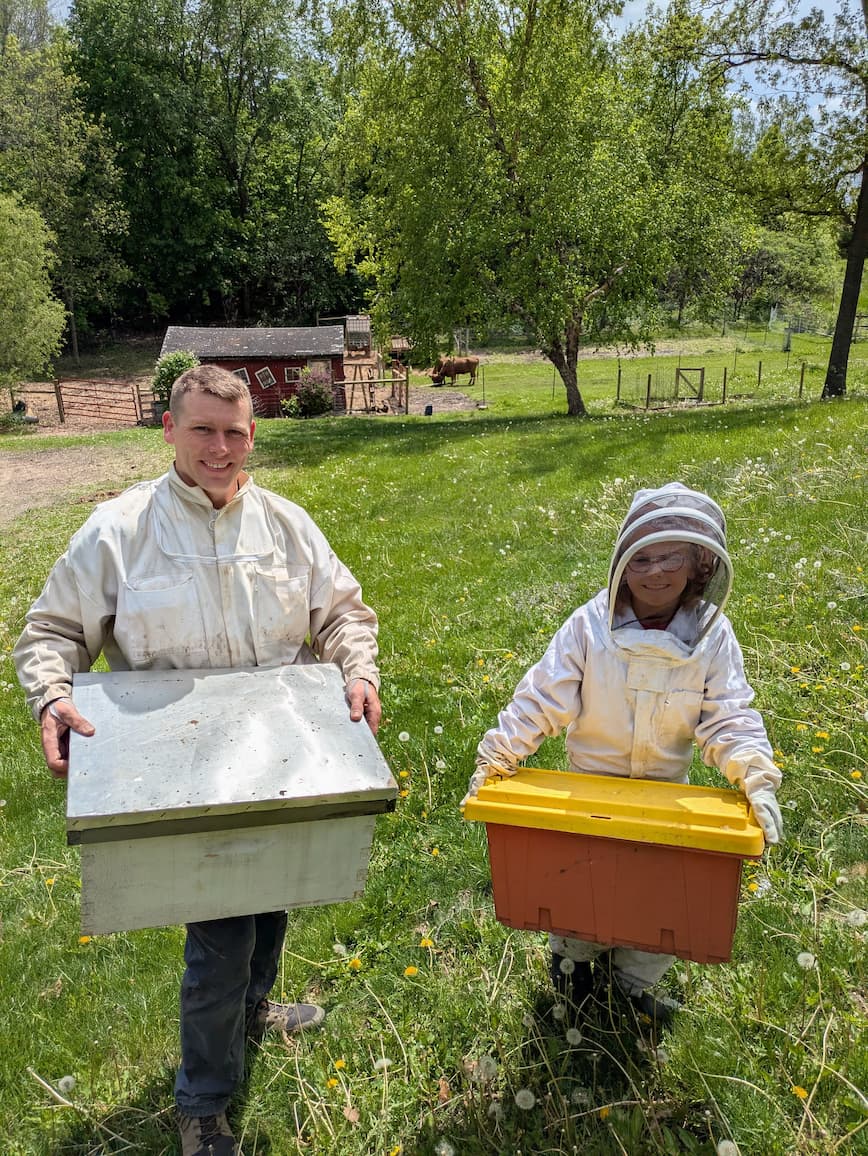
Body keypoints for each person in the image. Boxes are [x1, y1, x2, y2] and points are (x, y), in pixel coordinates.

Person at [14, 365, 382, 1156]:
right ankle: (203, 1104)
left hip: (282, 753)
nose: (221, 448)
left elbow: (342, 612)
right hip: (179, 772)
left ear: (253, 434)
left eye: (235, 431)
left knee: (277, 899)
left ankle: (254, 1012)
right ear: (170, 431)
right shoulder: (119, 530)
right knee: (221, 935)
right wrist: (51, 697)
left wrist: (358, 669)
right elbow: (50, 634)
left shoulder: (286, 525)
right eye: (203, 430)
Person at [465, 482, 782, 1026]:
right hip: (588, 792)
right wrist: (495, 760)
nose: (656, 572)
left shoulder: (712, 635)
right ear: (621, 562)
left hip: (665, 798)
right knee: (577, 885)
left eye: (671, 557)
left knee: (658, 895)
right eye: (643, 558)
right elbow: (541, 698)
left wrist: (756, 778)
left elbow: (729, 715)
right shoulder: (589, 627)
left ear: (699, 563)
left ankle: (634, 987)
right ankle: (572, 973)